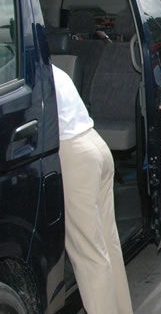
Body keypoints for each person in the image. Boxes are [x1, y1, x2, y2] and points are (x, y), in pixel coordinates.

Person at [53, 64, 134, 314]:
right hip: (95, 144)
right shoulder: (54, 70)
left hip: (73, 154)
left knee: (88, 254)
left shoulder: (21, 70)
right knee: (107, 244)